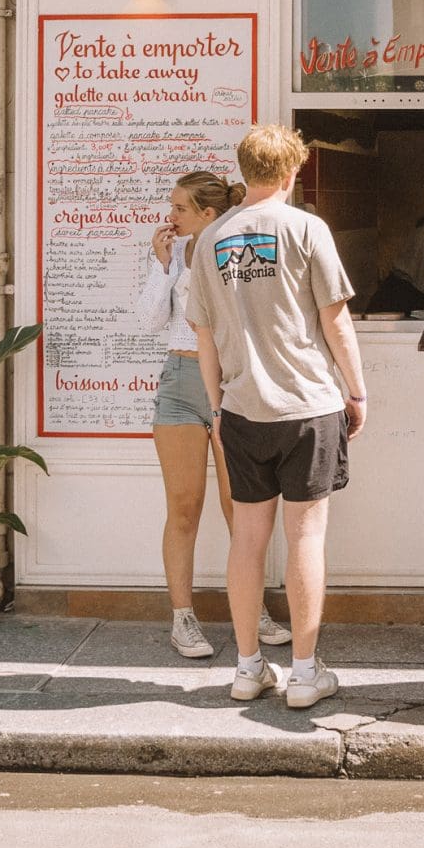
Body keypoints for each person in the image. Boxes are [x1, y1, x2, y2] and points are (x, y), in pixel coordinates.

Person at [188, 123, 367, 712]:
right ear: (292, 172)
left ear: (243, 171)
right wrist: (357, 392)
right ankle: (305, 673)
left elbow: (205, 338)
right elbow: (336, 321)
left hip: (242, 409)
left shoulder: (212, 237)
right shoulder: (306, 228)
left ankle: (245, 668)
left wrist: (217, 405)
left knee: (246, 538)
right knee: (306, 537)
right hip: (308, 406)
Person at [133, 170, 293, 659]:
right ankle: (182, 618)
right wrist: (162, 267)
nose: (170, 216)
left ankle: (253, 610)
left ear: (208, 214)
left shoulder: (235, 250)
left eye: (180, 208)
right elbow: (150, 320)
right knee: (183, 508)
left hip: (231, 384)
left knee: (240, 509)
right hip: (181, 383)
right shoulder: (174, 254)